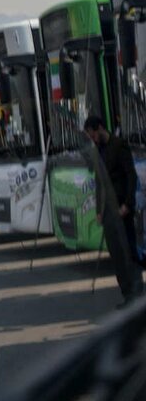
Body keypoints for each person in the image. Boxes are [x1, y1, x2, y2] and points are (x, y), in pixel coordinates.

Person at [83, 115, 143, 301]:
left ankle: (137, 293)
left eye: (93, 135)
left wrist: (128, 204)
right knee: (117, 254)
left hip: (122, 207)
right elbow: (99, 181)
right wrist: (99, 211)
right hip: (108, 210)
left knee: (129, 252)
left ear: (100, 128)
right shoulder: (98, 151)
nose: (92, 139)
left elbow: (131, 176)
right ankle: (127, 293)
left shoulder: (119, 146)